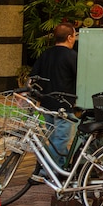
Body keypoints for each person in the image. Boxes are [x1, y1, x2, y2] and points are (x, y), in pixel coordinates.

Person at [30, 23, 78, 167]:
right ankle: (46, 170)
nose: (75, 39)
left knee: (52, 138)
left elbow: (34, 77)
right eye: (74, 36)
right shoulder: (72, 56)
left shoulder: (46, 54)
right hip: (64, 105)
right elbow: (79, 79)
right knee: (61, 140)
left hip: (46, 104)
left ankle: (59, 167)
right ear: (69, 37)